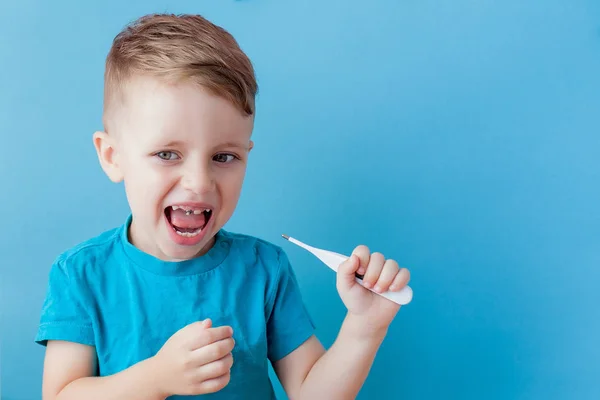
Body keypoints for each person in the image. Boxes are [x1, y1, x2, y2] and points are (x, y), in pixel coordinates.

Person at [35, 13, 411, 400]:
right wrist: (155, 379)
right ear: (113, 156)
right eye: (167, 153)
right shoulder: (80, 275)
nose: (199, 182)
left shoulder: (264, 270)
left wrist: (364, 328)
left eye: (224, 157)